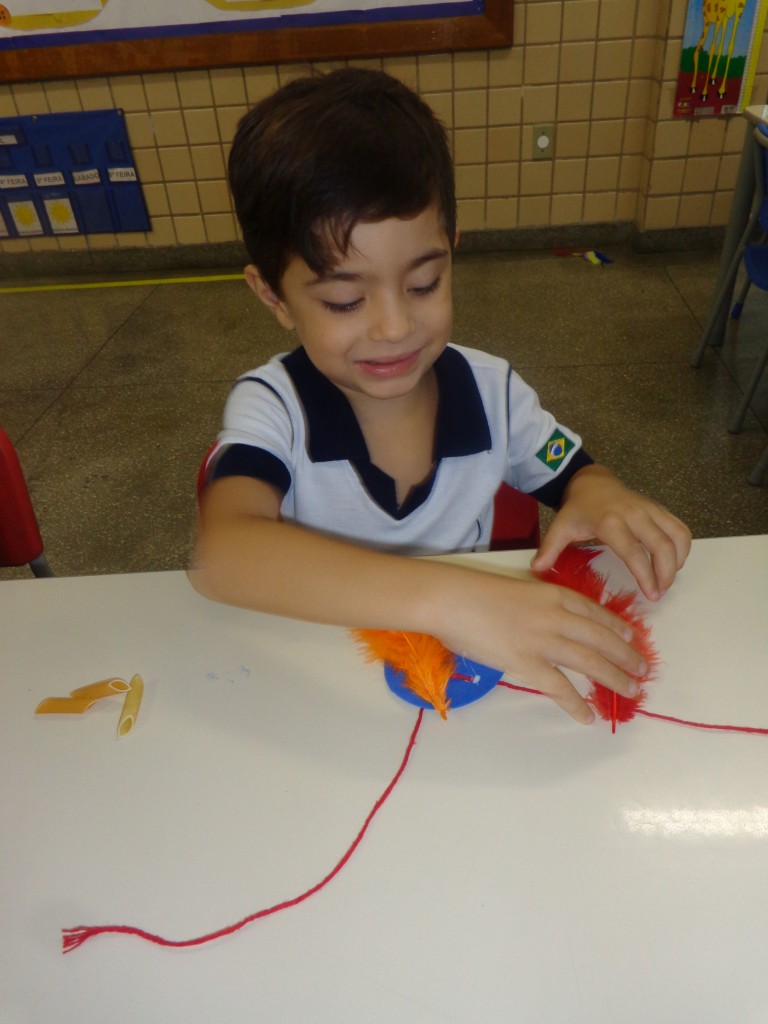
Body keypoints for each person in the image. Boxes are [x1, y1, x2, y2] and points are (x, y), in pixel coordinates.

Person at [192, 67, 691, 725]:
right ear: (273, 296)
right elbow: (223, 555)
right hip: (330, 694)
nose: (394, 326)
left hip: (475, 689)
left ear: (451, 253)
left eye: (424, 284)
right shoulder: (272, 408)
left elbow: (574, 472)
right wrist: (453, 600)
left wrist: (599, 493)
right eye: (344, 300)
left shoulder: (492, 392)